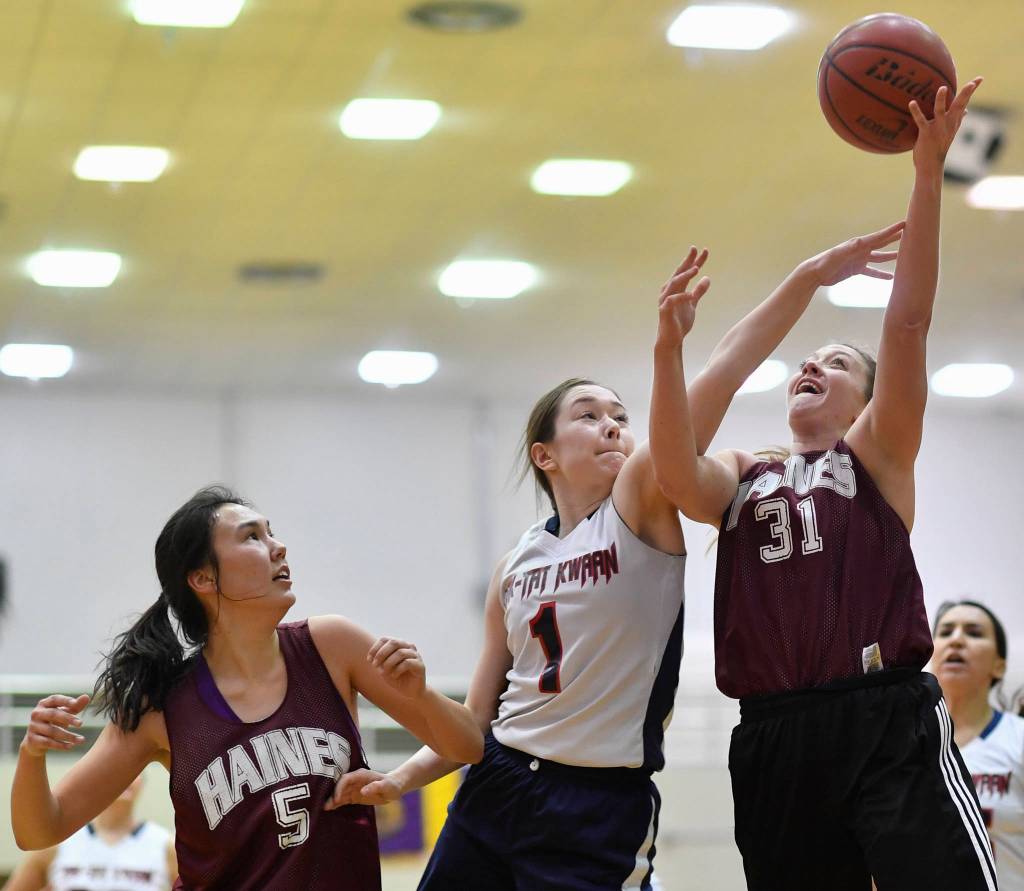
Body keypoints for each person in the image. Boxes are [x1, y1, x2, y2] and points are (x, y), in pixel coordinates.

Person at [327, 224, 910, 889]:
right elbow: (476, 722)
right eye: (587, 414)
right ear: (544, 454)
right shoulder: (514, 565)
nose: (610, 423)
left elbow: (721, 370)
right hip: (496, 784)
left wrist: (798, 282)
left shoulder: (639, 503)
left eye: (618, 413)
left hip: (597, 802)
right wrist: (400, 776)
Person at [648, 79, 991, 891]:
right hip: (773, 732)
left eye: (836, 363)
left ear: (872, 402)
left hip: (883, 716)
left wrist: (926, 174)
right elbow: (670, 465)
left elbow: (906, 323)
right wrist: (668, 353)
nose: (811, 363)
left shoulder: (877, 458)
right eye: (807, 358)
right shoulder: (741, 474)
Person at [10, 486, 483, 890]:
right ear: (203, 578)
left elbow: (468, 745)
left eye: (271, 532)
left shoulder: (332, 646)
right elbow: (38, 829)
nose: (278, 547)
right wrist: (32, 755)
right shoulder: (164, 706)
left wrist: (419, 696)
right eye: (252, 537)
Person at [934, 600, 1024, 889]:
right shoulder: (897, 747)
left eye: (973, 632)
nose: (956, 640)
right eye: (946, 632)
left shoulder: (1018, 738)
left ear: (999, 665)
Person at [3, 776, 176, 891]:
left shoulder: (166, 846)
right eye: (115, 771)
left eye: (135, 772)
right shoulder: (57, 842)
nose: (125, 778)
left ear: (142, 783)